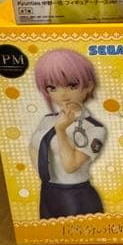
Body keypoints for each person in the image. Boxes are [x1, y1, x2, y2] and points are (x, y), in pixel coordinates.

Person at [30, 49, 106, 219]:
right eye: (52, 87)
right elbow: (34, 147)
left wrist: (61, 131)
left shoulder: (95, 129)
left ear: (89, 86)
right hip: (48, 191)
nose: (63, 94)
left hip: (75, 194)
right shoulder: (47, 120)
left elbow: (70, 166)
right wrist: (43, 173)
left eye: (72, 86)